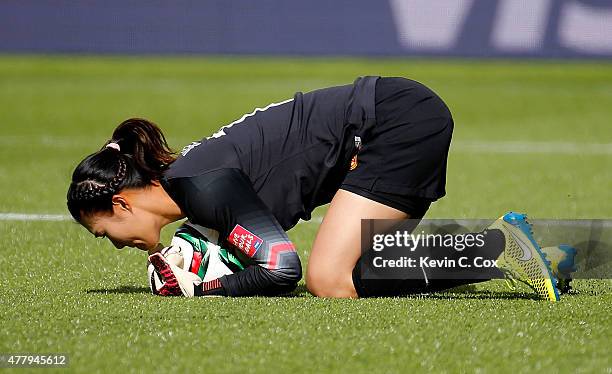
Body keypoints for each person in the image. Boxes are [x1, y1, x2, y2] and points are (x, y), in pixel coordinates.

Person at [67, 76, 572, 301]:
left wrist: (203, 288)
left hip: (390, 122)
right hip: (395, 114)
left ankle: (499, 249)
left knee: (328, 279)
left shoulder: (197, 185)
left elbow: (282, 268)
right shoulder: (193, 191)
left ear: (121, 202)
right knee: (359, 271)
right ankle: (547, 256)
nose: (114, 243)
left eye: (104, 231)